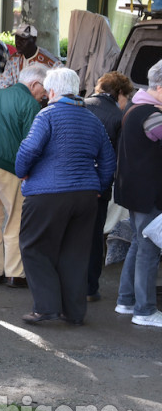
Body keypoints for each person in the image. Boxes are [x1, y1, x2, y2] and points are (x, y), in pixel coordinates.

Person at [15, 68, 115, 325]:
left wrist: (22, 172)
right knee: (75, 254)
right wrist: (98, 188)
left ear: (51, 92)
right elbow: (108, 160)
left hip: (48, 193)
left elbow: (30, 148)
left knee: (34, 247)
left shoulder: (47, 115)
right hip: (85, 197)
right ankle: (74, 312)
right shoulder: (93, 120)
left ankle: (46, 307)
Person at [0, 64, 48, 288]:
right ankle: (15, 274)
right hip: (9, 167)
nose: (44, 95)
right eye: (43, 89)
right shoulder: (29, 103)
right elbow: (33, 143)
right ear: (34, 84)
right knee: (16, 220)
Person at [114, 60, 162, 327]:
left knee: (137, 242)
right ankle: (144, 310)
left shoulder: (134, 107)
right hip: (147, 193)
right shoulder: (151, 114)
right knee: (148, 248)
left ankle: (126, 300)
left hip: (132, 190)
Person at [83, 71, 134, 302]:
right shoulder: (117, 116)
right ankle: (89, 288)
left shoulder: (80, 105)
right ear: (120, 93)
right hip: (98, 187)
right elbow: (118, 157)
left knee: (70, 234)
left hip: (71, 184)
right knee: (93, 238)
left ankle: (65, 284)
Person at [0, 24, 62, 89]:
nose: (18, 43)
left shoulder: (49, 61)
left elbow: (60, 85)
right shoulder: (13, 59)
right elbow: (3, 84)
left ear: (34, 39)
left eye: (23, 40)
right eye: (16, 39)